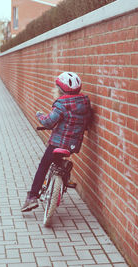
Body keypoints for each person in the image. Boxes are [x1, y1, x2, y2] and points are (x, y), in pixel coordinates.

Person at [21, 72, 91, 212]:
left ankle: (32, 197)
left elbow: (48, 122)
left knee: (44, 165)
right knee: (58, 159)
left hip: (57, 144)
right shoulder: (84, 102)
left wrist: (39, 115)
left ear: (61, 90)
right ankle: (65, 175)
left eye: (55, 88)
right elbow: (87, 120)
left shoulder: (62, 104)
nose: (53, 90)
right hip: (73, 145)